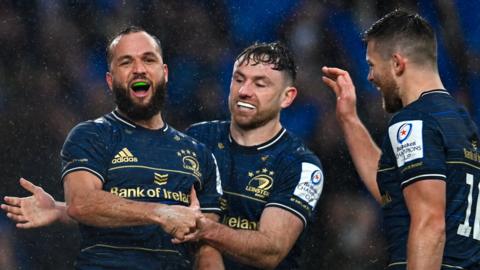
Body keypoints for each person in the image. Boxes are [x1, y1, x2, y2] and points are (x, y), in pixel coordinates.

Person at [3, 42, 324, 269]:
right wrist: (63, 210)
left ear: (287, 97)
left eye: (261, 84)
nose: (244, 91)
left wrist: (202, 227)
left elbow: (271, 251)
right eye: (239, 79)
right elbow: (146, 206)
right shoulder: (197, 140)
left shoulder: (300, 164)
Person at [3, 26, 224, 270]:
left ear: (165, 73)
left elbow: (208, 250)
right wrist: (160, 212)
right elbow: (81, 202)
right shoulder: (90, 135)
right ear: (110, 80)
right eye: (126, 62)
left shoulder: (199, 154)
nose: (139, 69)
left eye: (148, 59)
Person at [322, 10, 480, 269]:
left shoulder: (415, 121)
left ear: (397, 63)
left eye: (372, 65)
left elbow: (430, 222)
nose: (370, 77)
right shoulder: (460, 121)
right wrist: (350, 120)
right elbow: (395, 190)